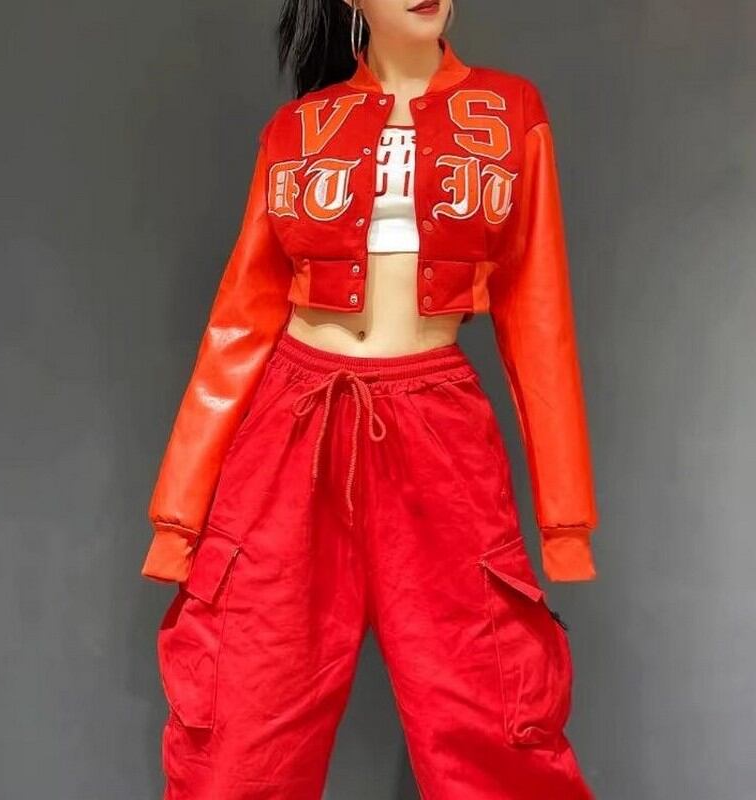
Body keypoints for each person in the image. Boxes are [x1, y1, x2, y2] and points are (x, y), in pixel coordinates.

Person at [142, 1, 600, 797]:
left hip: (438, 432)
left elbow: (539, 317)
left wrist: (565, 523)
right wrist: (176, 522)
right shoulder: (296, 130)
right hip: (289, 433)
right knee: (243, 728)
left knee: (492, 726)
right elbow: (240, 322)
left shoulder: (511, 111)